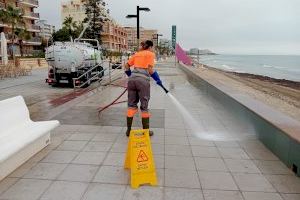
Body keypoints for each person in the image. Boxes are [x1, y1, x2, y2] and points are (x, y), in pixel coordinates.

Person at [124, 40, 163, 137]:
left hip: (132, 81)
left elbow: (126, 65)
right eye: (152, 47)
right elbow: (150, 70)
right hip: (143, 82)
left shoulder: (137, 54)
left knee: (131, 106)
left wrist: (130, 76)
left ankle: (128, 130)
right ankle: (146, 131)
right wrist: (157, 79)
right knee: (144, 107)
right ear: (150, 47)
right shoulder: (150, 54)